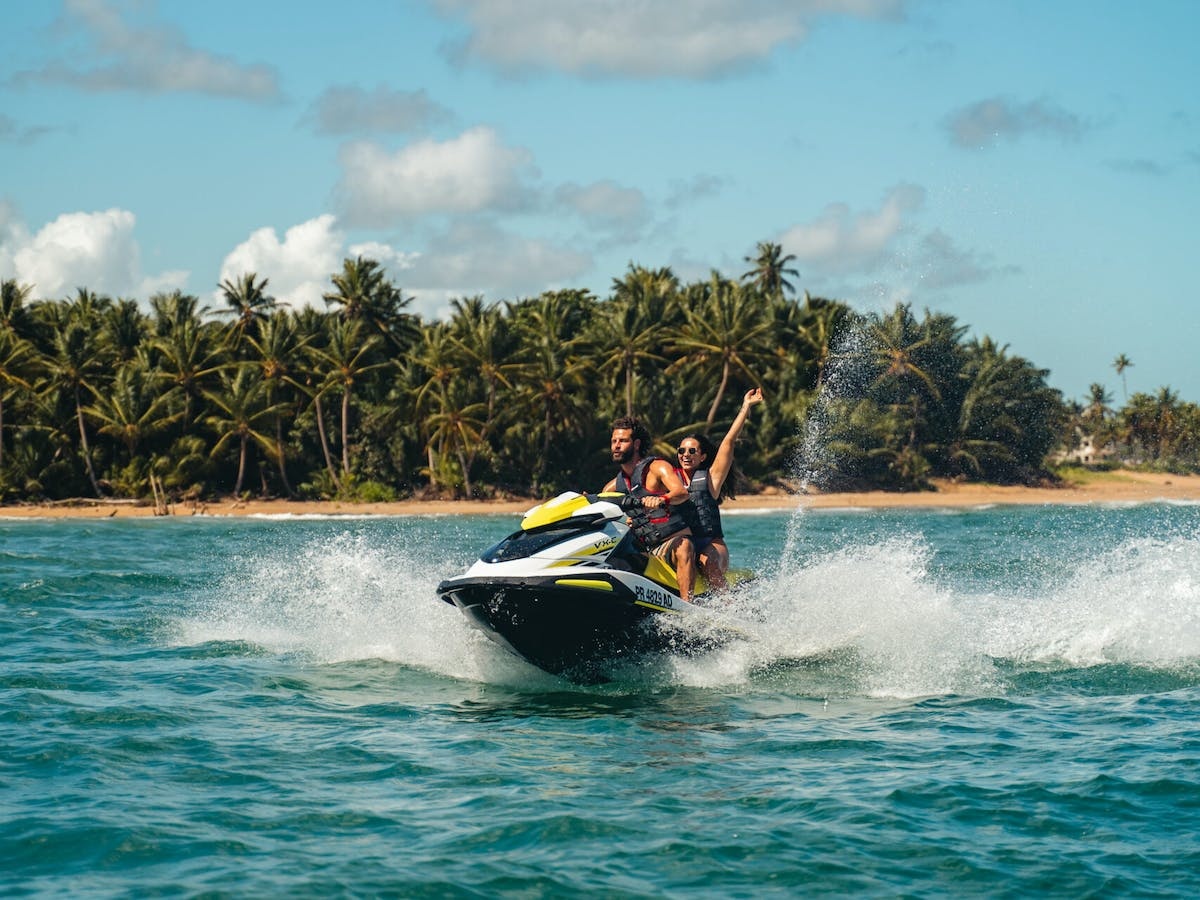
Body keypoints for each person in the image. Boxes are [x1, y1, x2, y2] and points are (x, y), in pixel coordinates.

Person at [675, 387, 764, 589]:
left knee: (707, 562)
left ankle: (727, 607)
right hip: (681, 544)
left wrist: (746, 407)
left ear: (703, 456)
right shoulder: (670, 480)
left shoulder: (710, 479)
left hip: (710, 543)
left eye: (692, 451)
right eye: (681, 450)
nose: (686, 455)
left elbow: (728, 442)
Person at [602, 416, 697, 602]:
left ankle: (689, 608)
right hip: (643, 548)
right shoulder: (613, 486)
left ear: (636, 444)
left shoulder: (657, 468)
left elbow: (681, 493)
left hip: (669, 543)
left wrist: (662, 499)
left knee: (684, 546)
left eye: (622, 441)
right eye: (614, 441)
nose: (616, 445)